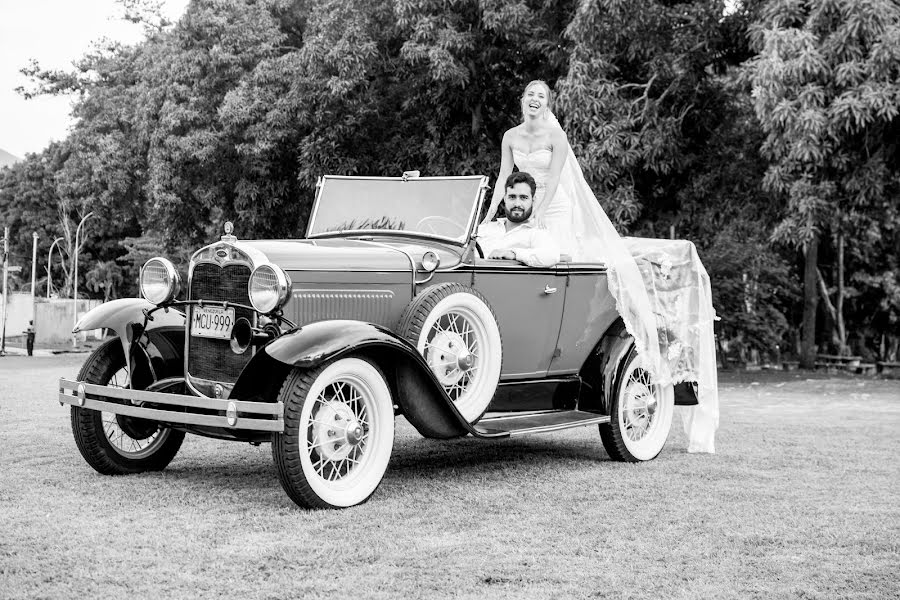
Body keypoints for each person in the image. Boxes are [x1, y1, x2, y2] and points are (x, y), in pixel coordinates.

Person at [482, 79, 719, 453]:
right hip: (521, 199)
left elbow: (556, 178)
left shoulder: (556, 138)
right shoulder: (510, 135)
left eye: (540, 96)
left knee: (551, 258)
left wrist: (537, 216)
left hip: (552, 206)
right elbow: (504, 178)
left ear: (547, 103)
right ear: (522, 100)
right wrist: (494, 212)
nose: (534, 100)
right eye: (529, 95)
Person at [477, 172, 559, 268]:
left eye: (523, 198)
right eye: (512, 197)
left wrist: (513, 254)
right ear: (504, 199)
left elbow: (551, 256)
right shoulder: (485, 228)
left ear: (533, 200)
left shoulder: (536, 232)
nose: (517, 204)